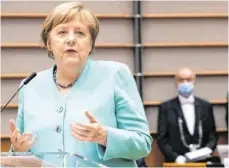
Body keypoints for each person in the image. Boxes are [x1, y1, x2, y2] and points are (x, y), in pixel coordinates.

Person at [9, 2, 152, 167]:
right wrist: (19, 150)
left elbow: (143, 144)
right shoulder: (30, 85)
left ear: (91, 44)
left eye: (80, 33)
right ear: (48, 43)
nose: (71, 39)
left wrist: (105, 136)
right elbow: (19, 153)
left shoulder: (114, 75)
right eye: (62, 32)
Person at [157, 68, 218, 164]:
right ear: (175, 83)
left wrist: (207, 150)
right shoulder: (165, 107)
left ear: (194, 81)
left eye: (188, 79)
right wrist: (175, 158)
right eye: (181, 80)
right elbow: (162, 138)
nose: (185, 83)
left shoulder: (206, 106)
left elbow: (212, 136)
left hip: (202, 162)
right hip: (175, 163)